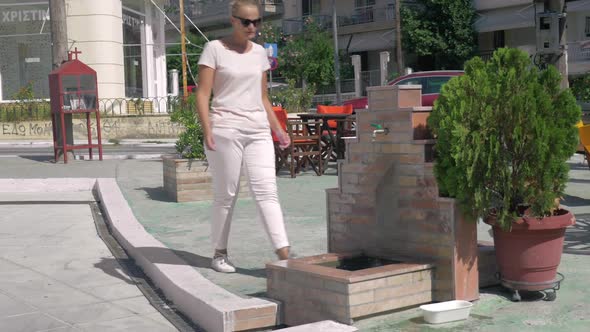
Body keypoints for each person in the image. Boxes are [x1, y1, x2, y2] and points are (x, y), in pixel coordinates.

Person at [196, 0, 292, 273]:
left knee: (267, 192)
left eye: (257, 21)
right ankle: (219, 254)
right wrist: (207, 130)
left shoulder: (260, 52)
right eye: (246, 21)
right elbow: (203, 94)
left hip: (258, 129)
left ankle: (284, 254)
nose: (253, 27)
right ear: (233, 20)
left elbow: (262, 96)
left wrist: (277, 129)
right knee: (227, 194)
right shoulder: (214, 49)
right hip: (225, 129)